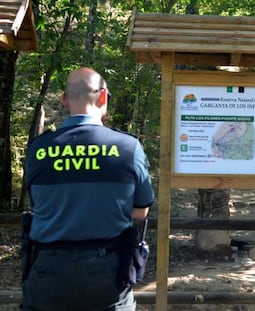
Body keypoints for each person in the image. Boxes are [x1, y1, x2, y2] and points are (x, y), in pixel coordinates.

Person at [22, 67, 155, 310]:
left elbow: (39, 206)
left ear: (64, 100)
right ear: (103, 97)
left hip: (47, 271)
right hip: (107, 273)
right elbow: (140, 210)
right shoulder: (127, 147)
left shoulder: (38, 150)